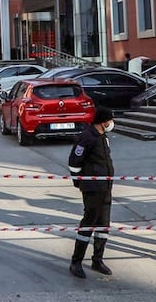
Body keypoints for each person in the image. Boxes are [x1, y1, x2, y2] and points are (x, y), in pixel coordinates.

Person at [67, 105, 116, 279]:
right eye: (110, 120)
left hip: (105, 188)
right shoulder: (86, 137)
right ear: (103, 122)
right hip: (92, 189)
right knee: (88, 224)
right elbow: (74, 162)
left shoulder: (103, 137)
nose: (112, 123)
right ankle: (76, 262)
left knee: (103, 225)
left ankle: (98, 259)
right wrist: (80, 182)